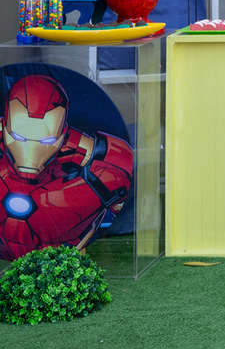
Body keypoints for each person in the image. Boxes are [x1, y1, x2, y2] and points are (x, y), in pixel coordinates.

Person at [0, 74, 133, 261]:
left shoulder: (75, 145)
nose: (30, 150)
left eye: (46, 140)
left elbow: (117, 163)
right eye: (19, 137)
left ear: (62, 134)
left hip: (58, 244)